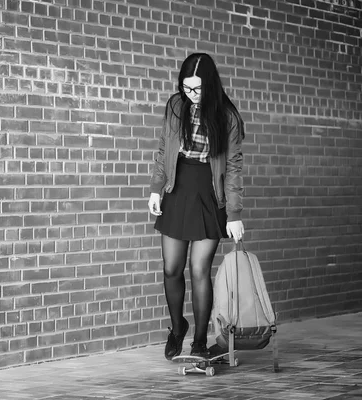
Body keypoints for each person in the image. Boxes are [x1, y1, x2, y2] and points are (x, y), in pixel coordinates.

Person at [148, 53, 245, 359]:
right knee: (171, 268)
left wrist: (234, 214)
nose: (191, 95)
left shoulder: (227, 117)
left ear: (211, 86)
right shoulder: (176, 106)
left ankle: (200, 342)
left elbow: (233, 168)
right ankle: (178, 329)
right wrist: (155, 190)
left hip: (209, 192)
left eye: (197, 89)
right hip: (177, 189)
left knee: (199, 269)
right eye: (186, 88)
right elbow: (164, 149)